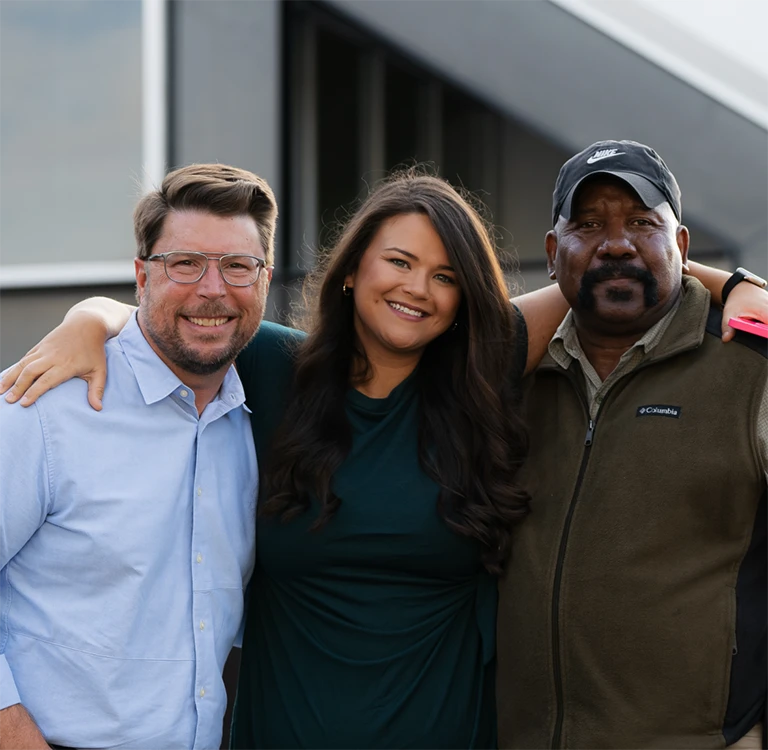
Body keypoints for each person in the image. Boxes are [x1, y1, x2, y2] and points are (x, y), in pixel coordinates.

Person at [2, 167, 767, 749]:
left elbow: (596, 271)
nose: (417, 289)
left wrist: (723, 280)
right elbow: (180, 313)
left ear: (468, 297)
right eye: (398, 262)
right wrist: (91, 316)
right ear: (352, 268)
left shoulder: (484, 374)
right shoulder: (272, 372)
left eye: (444, 276)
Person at [496, 140, 768, 750]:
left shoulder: (752, 366)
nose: (615, 243)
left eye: (643, 223)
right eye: (588, 225)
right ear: (551, 250)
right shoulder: (510, 375)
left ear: (683, 245)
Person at [0, 163, 278, 749]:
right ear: (141, 276)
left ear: (265, 280)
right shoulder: (43, 407)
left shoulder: (262, 421)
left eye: (236, 266)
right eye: (185, 263)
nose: (212, 288)